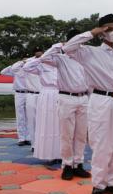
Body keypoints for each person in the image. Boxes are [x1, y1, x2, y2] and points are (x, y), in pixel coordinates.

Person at [62, 14, 113, 194]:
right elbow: (68, 47)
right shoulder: (89, 52)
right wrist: (91, 33)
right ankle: (98, 185)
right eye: (109, 28)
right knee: (102, 144)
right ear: (101, 31)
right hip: (101, 100)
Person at [39, 29, 91, 180]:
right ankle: (67, 165)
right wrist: (59, 45)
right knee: (66, 135)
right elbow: (43, 58)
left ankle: (78, 164)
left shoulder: (85, 59)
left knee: (81, 135)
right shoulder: (60, 58)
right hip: (66, 98)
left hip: (83, 98)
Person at [23, 48, 61, 163]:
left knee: (59, 125)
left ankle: (59, 154)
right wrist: (41, 58)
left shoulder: (61, 66)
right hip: (46, 94)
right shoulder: (41, 65)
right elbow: (26, 67)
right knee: (47, 124)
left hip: (60, 94)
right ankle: (48, 154)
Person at [0, 59, 31, 146]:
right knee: (20, 116)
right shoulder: (16, 70)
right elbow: (2, 72)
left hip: (29, 93)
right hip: (19, 94)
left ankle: (28, 138)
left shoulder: (31, 69)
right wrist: (16, 63)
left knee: (29, 116)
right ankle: (21, 138)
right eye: (24, 60)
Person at [23, 47, 43, 150]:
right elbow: (14, 68)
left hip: (43, 95)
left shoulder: (47, 62)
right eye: (36, 52)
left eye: (40, 51)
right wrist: (30, 59)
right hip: (30, 95)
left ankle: (42, 144)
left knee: (44, 121)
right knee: (31, 121)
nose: (39, 53)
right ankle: (34, 145)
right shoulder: (28, 63)